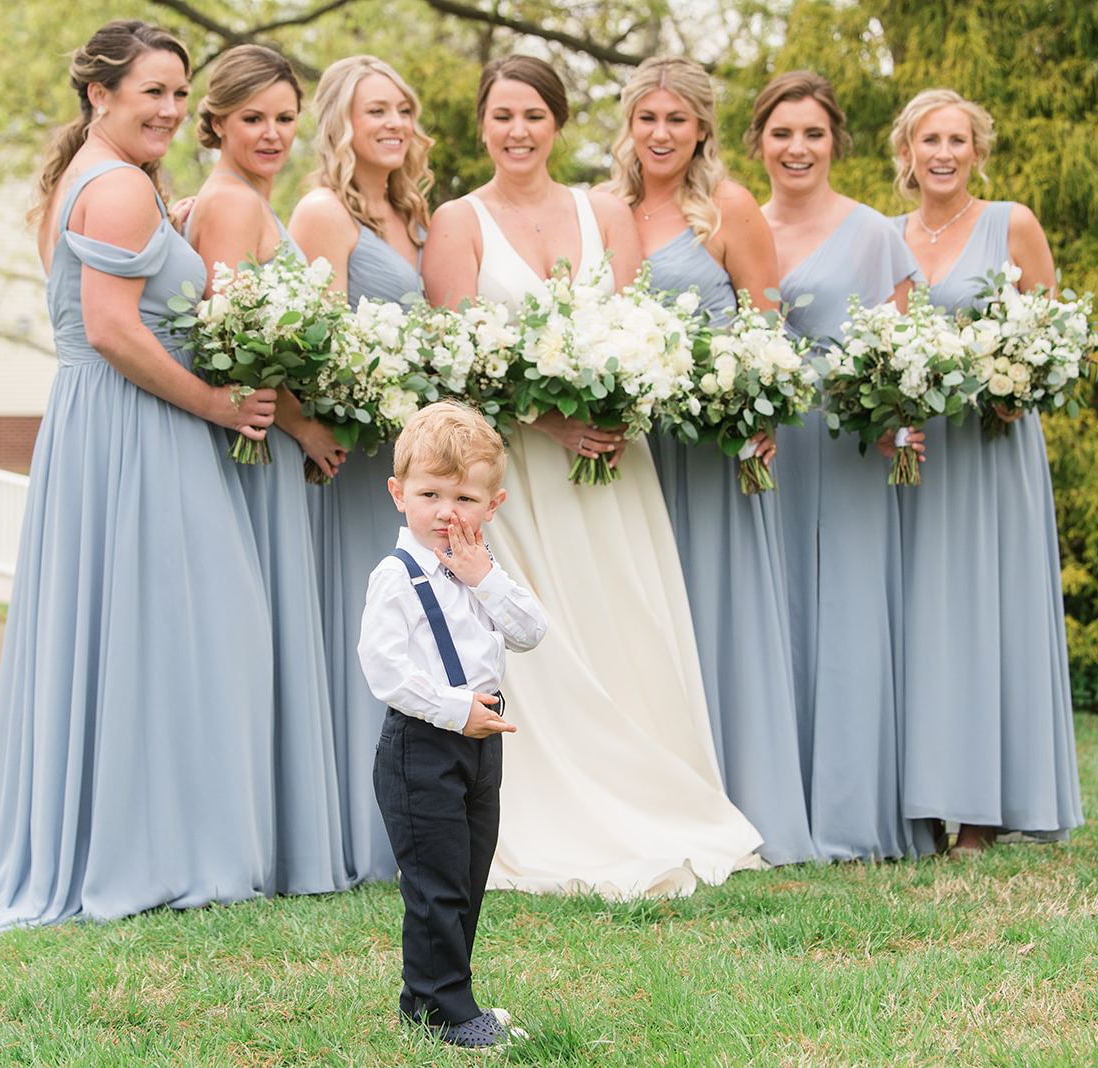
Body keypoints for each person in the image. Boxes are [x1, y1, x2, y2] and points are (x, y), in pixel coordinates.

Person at [0, 21, 283, 929]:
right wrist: (221, 405)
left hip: (101, 426)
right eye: (153, 91)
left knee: (144, 639)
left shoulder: (103, 179)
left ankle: (149, 843)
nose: (171, 109)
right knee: (200, 625)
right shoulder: (114, 187)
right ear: (99, 95)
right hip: (138, 427)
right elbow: (112, 330)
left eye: (181, 93)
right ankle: (168, 854)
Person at [423, 54, 762, 898]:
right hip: (520, 469)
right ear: (482, 125)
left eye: (534, 115)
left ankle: (656, 789)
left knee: (626, 619)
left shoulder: (604, 208)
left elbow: (633, 326)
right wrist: (549, 419)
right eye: (502, 116)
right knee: (540, 635)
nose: (518, 132)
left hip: (612, 457)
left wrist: (612, 409)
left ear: (560, 123)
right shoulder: (458, 220)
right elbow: (453, 360)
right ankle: (543, 810)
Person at [604, 56, 815, 866]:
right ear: (630, 123)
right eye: (648, 118)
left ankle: (751, 802)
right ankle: (661, 803)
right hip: (635, 453)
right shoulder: (605, 208)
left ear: (701, 130)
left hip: (716, 453)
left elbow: (770, 331)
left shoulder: (727, 207)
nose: (661, 134)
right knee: (648, 622)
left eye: (678, 120)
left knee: (720, 614)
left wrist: (761, 411)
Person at [888, 88, 1083, 855]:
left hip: (994, 450)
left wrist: (1018, 388)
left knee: (987, 615)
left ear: (977, 151)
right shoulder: (887, 235)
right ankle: (926, 798)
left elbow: (1055, 339)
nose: (942, 153)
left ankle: (984, 810)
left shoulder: (1012, 223)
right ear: (906, 152)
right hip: (918, 452)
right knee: (924, 622)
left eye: (956, 140)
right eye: (928, 139)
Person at [749, 70, 936, 861]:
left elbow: (910, 349)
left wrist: (902, 423)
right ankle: (772, 807)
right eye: (782, 133)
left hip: (852, 443)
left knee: (852, 616)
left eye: (813, 134)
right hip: (761, 445)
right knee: (774, 615)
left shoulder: (871, 234)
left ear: (836, 143)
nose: (797, 148)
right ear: (758, 141)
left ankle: (855, 814)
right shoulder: (737, 224)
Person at [185, 44, 348, 896]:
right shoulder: (227, 206)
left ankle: (284, 840)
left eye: (285, 118)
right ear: (215, 122)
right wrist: (304, 425)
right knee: (259, 634)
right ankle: (259, 847)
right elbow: (226, 345)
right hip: (255, 447)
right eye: (253, 118)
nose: (273, 133)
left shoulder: (250, 201)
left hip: (273, 445)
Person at [359, 401, 546, 1049]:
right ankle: (447, 1011)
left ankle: (434, 1000)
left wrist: (485, 578)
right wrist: (452, 709)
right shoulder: (397, 578)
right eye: (429, 493)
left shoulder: (479, 569)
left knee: (466, 878)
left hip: (479, 747)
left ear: (491, 505)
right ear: (398, 494)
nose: (446, 511)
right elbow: (383, 669)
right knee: (436, 884)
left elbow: (530, 632)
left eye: (464, 497)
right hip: (422, 746)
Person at [287, 55, 431, 885]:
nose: (393, 123)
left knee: (412, 630)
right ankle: (351, 829)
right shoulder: (322, 212)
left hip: (409, 457)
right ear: (341, 119)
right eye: (376, 108)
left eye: (403, 110)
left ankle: (407, 821)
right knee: (365, 627)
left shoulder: (410, 214)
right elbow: (313, 347)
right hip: (354, 452)